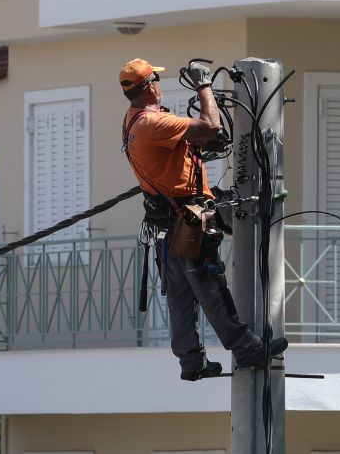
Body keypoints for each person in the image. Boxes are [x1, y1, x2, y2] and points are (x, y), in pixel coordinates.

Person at [119, 58, 286, 381]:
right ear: (150, 85)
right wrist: (204, 85)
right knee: (210, 287)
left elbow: (181, 146)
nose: (159, 84)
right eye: (156, 78)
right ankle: (247, 348)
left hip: (166, 223)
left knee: (181, 296)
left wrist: (196, 148)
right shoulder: (153, 124)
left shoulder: (133, 121)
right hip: (187, 219)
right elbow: (211, 125)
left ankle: (191, 362)